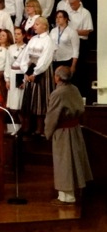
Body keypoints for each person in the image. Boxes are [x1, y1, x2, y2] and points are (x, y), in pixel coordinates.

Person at [44, 66, 93, 206]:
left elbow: (52, 116)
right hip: (75, 129)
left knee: (64, 163)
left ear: (58, 77)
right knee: (73, 161)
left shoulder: (58, 93)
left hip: (63, 131)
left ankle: (67, 197)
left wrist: (47, 132)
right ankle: (70, 194)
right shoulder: (74, 89)